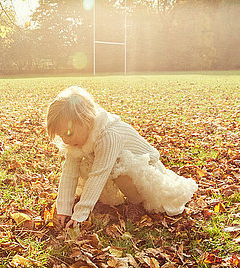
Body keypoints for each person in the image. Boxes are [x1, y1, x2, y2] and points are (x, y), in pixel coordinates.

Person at [46, 86, 198, 229]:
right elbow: (69, 172)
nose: (65, 140)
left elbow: (99, 174)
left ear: (86, 120)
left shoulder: (108, 135)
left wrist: (80, 214)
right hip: (113, 166)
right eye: (61, 136)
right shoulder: (79, 137)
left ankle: (137, 203)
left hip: (145, 170)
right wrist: (64, 208)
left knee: (116, 166)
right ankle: (102, 199)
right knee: (87, 165)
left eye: (68, 133)